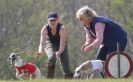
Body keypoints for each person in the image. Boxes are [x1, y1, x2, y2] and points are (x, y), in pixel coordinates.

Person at [36, 12, 73, 79]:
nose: (53, 22)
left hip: (61, 44)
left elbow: (62, 45)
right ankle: (49, 78)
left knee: (66, 68)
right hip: (49, 43)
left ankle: (69, 78)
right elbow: (42, 43)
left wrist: (58, 53)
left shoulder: (62, 29)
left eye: (54, 20)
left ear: (57, 20)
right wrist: (40, 50)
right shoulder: (45, 29)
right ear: (48, 21)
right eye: (51, 20)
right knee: (52, 57)